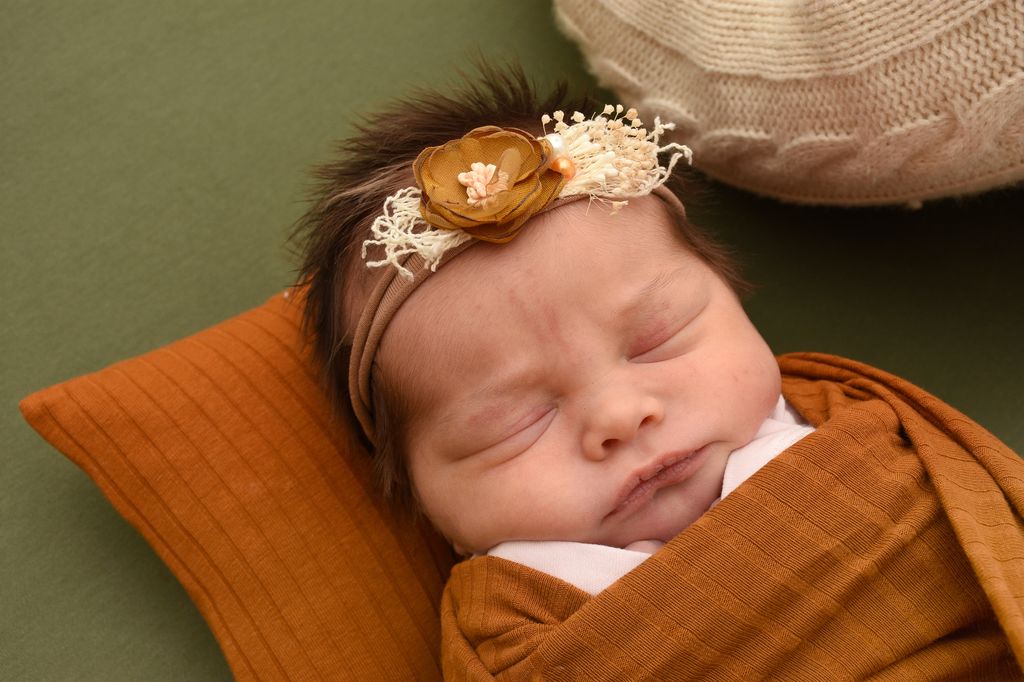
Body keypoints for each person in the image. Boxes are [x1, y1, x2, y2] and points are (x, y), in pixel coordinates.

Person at [292, 65, 1024, 678]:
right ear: (427, 507)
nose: (620, 416)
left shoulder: (856, 420)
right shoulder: (517, 617)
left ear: (735, 301)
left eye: (656, 339)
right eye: (515, 422)